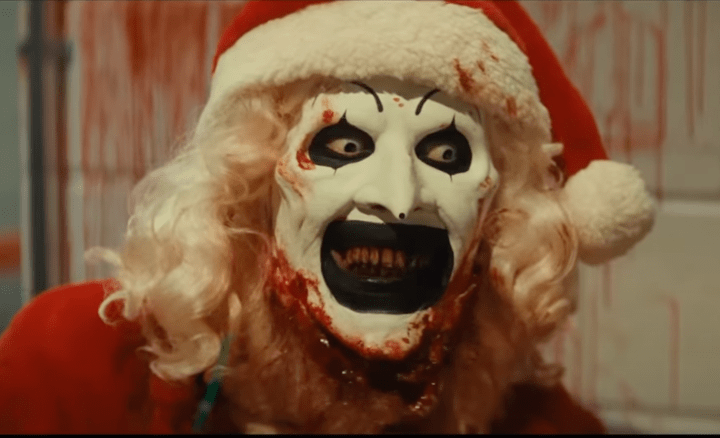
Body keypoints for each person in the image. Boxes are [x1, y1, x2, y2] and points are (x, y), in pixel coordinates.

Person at [0, 1, 654, 433]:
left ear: (495, 212)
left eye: (445, 154)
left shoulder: (540, 427)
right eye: (344, 145)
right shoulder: (76, 373)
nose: (398, 198)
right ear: (250, 186)